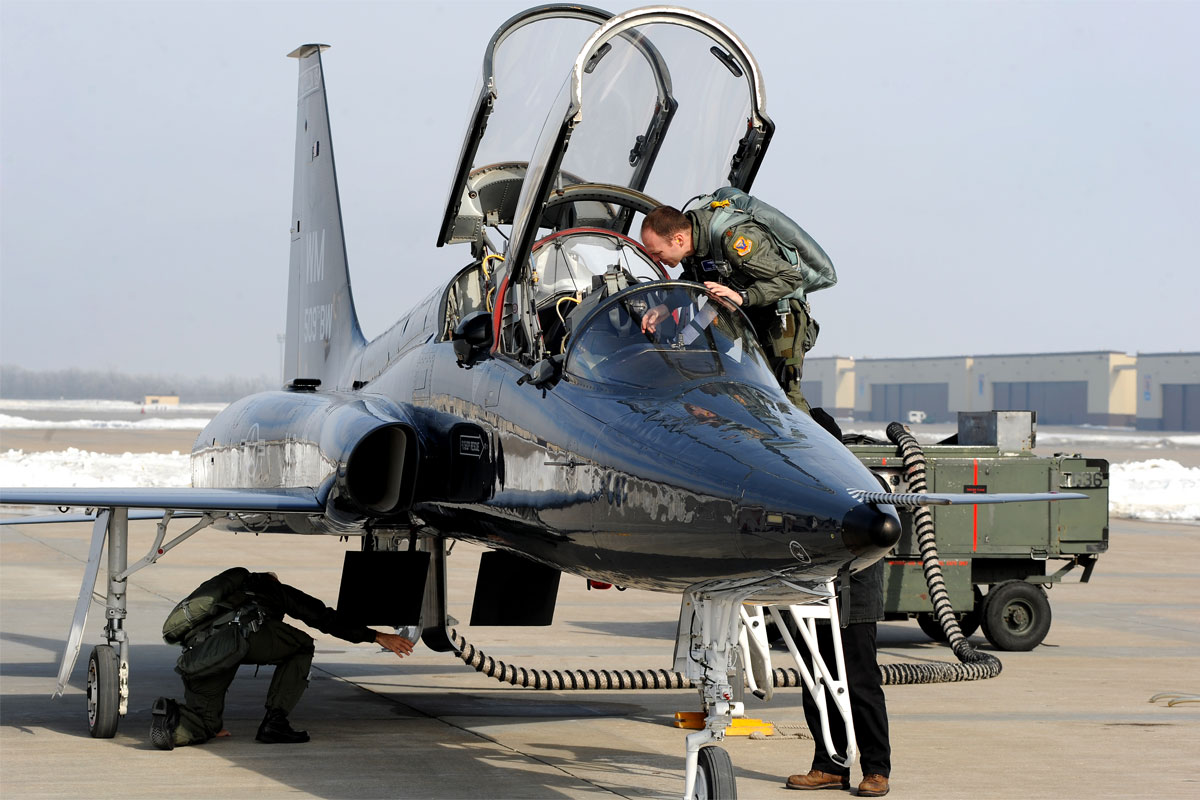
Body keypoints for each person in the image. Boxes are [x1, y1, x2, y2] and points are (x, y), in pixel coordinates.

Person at [150, 568, 414, 750]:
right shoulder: (273, 589)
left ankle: (172, 721)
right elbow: (322, 617)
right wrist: (374, 635)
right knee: (302, 646)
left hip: (202, 649)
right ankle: (275, 722)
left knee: (205, 725)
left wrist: (214, 724)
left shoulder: (222, 592)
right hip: (248, 634)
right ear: (272, 580)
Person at [639, 204, 817, 414]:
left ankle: (801, 444)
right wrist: (665, 308)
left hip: (780, 313)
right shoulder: (694, 246)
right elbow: (695, 282)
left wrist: (743, 296)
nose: (655, 260)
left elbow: (791, 278)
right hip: (743, 312)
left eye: (657, 253)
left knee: (785, 392)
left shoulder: (733, 239)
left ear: (678, 239)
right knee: (738, 384)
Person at [786, 560, 891, 796]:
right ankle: (829, 766)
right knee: (817, 686)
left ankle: (877, 769)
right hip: (810, 594)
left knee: (860, 686)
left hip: (853, 596)